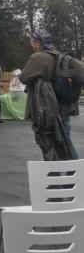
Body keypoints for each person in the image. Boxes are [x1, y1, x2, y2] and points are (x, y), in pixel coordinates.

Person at [20, 30, 84, 160]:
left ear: (38, 43)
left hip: (47, 107)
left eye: (32, 41)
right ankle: (72, 169)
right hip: (64, 105)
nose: (31, 44)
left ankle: (60, 170)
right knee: (66, 139)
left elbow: (24, 78)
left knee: (51, 141)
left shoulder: (37, 57)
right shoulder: (60, 56)